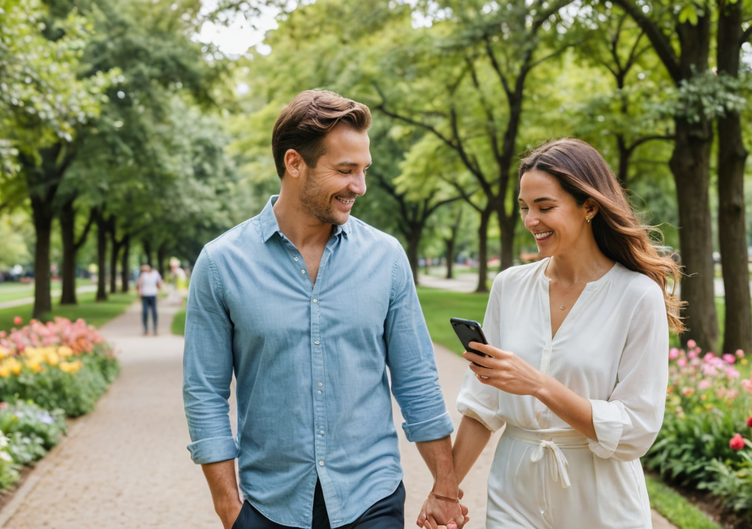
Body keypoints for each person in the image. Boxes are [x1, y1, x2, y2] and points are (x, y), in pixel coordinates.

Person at [182, 90, 468, 529]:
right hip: (267, 505)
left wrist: (446, 490)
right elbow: (205, 393)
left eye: (364, 170)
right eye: (345, 170)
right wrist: (229, 509)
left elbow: (417, 381)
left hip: (371, 498)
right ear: (295, 163)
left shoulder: (386, 257)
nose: (360, 186)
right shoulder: (221, 264)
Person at [447, 138, 684, 528]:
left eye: (545, 207)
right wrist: (446, 491)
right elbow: (482, 405)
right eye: (525, 207)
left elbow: (636, 428)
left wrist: (539, 385)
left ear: (589, 206)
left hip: (600, 498)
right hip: (514, 489)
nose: (530, 221)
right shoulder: (509, 286)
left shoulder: (637, 295)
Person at [136, 264, 162, 335]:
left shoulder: (155, 274)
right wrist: (139, 293)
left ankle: (155, 329)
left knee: (154, 312)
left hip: (153, 295)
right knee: (145, 312)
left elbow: (159, 283)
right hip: (145, 295)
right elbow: (139, 285)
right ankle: (145, 329)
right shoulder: (142, 276)